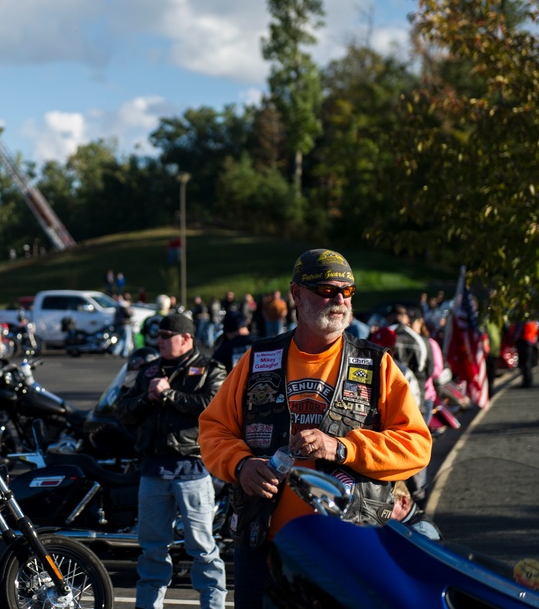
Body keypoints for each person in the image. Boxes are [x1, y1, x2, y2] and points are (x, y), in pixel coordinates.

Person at [198, 248, 432, 608]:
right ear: (296, 294)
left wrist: (343, 448)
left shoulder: (376, 365)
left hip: (350, 548)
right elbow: (213, 430)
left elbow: (416, 445)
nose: (339, 299)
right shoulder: (258, 359)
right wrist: (241, 465)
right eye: (326, 290)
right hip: (265, 547)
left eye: (347, 291)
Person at [114, 313, 227, 609]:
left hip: (192, 470)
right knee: (152, 550)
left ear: (186, 339)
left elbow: (213, 408)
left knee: (202, 549)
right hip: (153, 471)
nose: (159, 341)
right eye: (158, 335)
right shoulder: (149, 370)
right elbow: (122, 410)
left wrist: (169, 395)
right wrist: (147, 398)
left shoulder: (210, 370)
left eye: (166, 335)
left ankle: (213, 605)